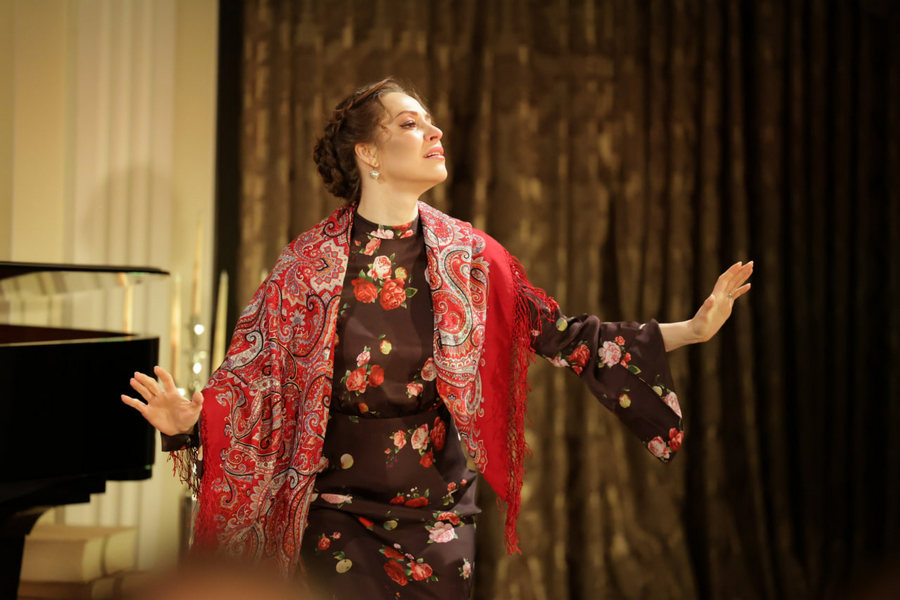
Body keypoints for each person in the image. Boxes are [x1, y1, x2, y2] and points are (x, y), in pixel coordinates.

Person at [122, 78, 753, 599]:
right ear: (368, 153)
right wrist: (189, 423)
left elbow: (567, 337)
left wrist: (692, 330)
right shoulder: (306, 266)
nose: (435, 132)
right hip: (337, 514)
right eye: (411, 124)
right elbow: (252, 379)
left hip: (440, 519)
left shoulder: (470, 256)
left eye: (431, 122)